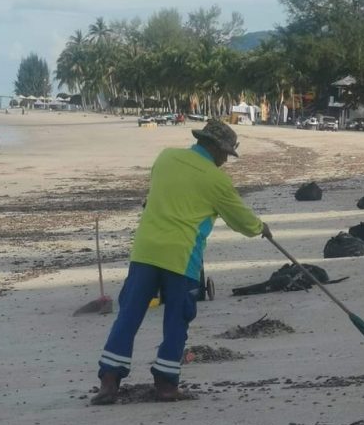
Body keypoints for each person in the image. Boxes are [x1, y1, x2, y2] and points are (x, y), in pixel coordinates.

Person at [92, 119, 272, 405]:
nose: (225, 159)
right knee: (177, 319)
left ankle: (109, 381)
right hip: (182, 256)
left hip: (146, 251)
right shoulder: (216, 180)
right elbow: (240, 219)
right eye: (225, 153)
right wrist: (260, 228)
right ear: (213, 147)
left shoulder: (165, 158)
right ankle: (165, 384)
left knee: (129, 315)